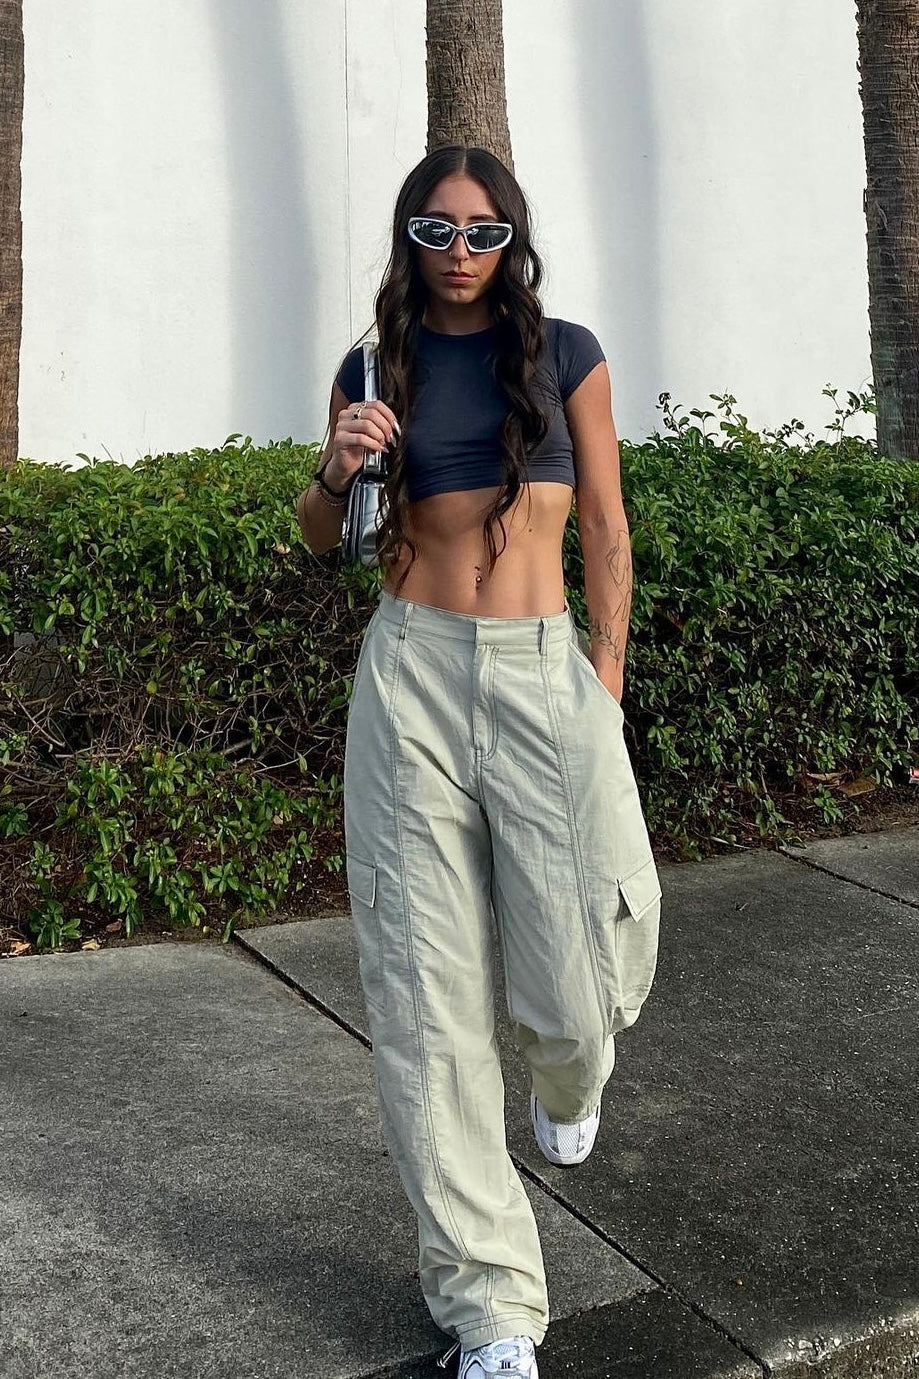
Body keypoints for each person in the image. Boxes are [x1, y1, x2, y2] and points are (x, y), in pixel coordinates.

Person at [296, 144, 661, 1379]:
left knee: (584, 967)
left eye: (483, 231)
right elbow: (322, 536)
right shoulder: (372, 365)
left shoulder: (566, 355)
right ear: (409, 237)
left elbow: (604, 521)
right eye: (437, 230)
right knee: (424, 991)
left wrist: (603, 678)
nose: (460, 253)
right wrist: (337, 465)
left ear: (513, 240)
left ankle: (568, 1076)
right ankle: (491, 1308)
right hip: (410, 674)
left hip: (542, 670)